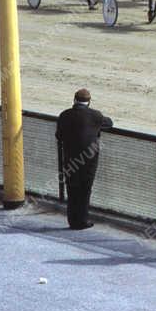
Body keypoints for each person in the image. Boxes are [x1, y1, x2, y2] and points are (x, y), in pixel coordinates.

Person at [55, 89, 113, 230]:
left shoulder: (64, 115)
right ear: (89, 101)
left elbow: (59, 136)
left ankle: (72, 220)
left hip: (70, 159)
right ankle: (82, 220)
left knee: (72, 189)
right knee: (85, 190)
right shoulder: (95, 115)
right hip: (88, 161)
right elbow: (110, 123)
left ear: (74, 100)